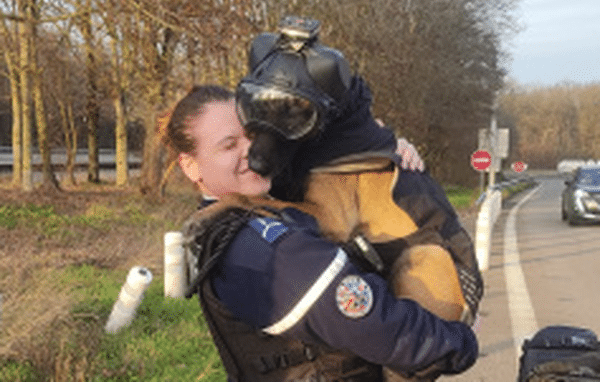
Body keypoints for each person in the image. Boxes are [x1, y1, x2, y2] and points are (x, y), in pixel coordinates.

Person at [164, 84, 478, 382]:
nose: (252, 150)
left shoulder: (271, 203)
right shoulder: (252, 243)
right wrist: (459, 343)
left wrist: (383, 148)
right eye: (229, 145)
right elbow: (368, 320)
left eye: (253, 134)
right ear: (190, 166)